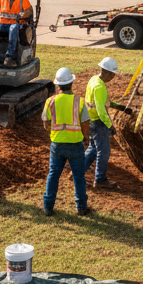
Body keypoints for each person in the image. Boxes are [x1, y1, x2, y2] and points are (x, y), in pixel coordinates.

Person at [41, 67, 91, 216]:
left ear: (58, 85)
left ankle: (48, 207)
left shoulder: (50, 101)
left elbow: (45, 123)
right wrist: (86, 138)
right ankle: (81, 207)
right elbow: (85, 124)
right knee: (78, 177)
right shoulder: (79, 101)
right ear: (72, 82)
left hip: (57, 144)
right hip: (75, 144)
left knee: (53, 175)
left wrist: (55, 132)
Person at [84, 56, 119, 187]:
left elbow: (98, 103)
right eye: (113, 74)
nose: (113, 77)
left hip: (90, 120)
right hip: (98, 122)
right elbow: (101, 110)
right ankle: (100, 179)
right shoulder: (100, 87)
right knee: (104, 152)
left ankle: (77, 171)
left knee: (93, 149)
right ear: (108, 73)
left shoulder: (93, 79)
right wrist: (110, 126)